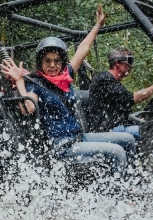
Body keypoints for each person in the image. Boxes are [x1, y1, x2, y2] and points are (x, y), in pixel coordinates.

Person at [0, 4, 135, 179]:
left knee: (128, 139)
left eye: (57, 61)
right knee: (117, 152)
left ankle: (130, 184)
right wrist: (19, 81)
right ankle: (119, 197)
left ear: (62, 62)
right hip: (62, 145)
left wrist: (98, 25)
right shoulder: (35, 84)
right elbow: (28, 108)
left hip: (79, 137)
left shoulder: (66, 76)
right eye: (47, 61)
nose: (52, 65)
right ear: (40, 62)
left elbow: (82, 50)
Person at [87, 47, 153, 139]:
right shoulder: (104, 79)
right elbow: (132, 98)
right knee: (151, 131)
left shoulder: (111, 81)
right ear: (117, 63)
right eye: (128, 62)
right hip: (105, 131)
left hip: (115, 126)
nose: (130, 66)